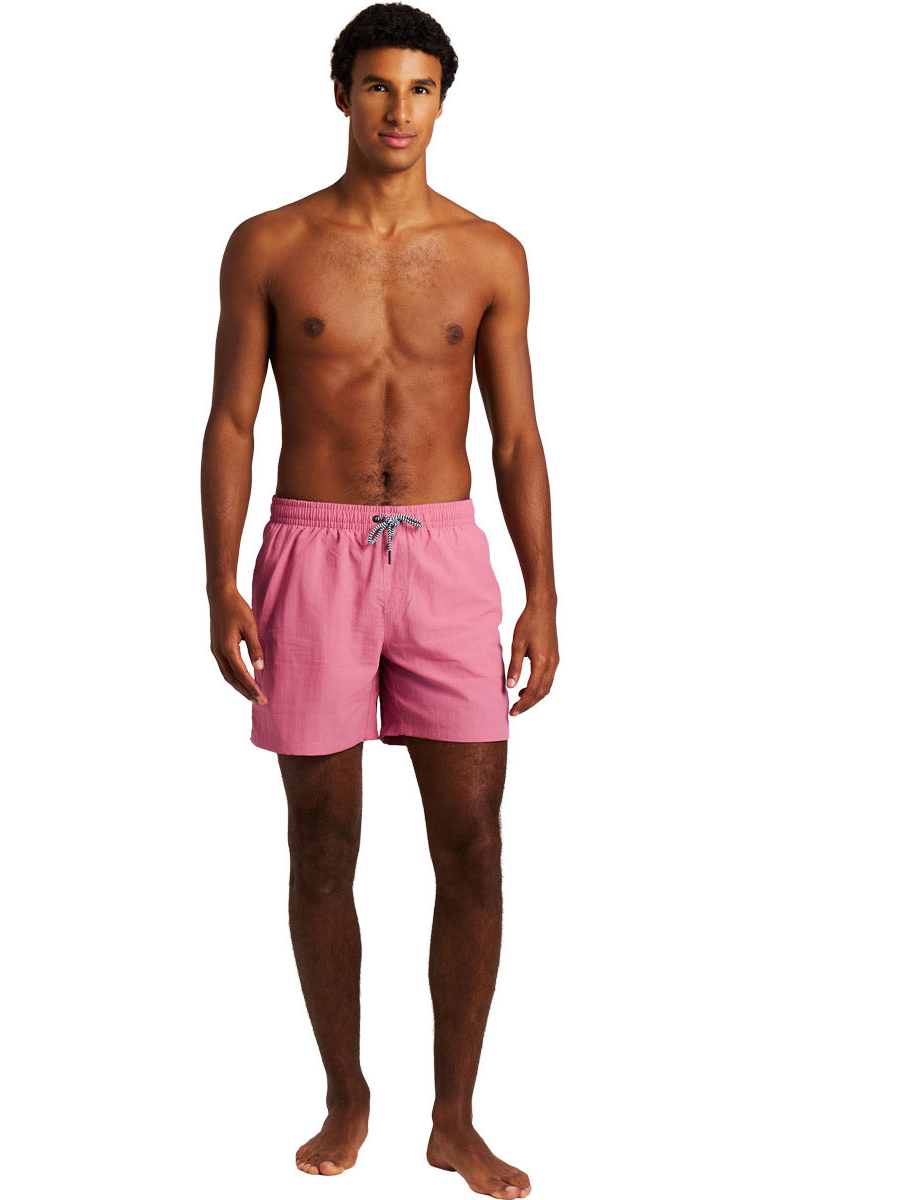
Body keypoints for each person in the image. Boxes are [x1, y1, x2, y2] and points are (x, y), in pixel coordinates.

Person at [201, 5, 556, 1197]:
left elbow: (516, 438)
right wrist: (218, 577)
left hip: (447, 561)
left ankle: (454, 1119)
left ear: (444, 101)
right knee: (322, 842)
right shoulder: (270, 244)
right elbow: (232, 421)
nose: (398, 111)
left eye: (420, 89)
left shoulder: (490, 253)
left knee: (476, 844)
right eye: (376, 86)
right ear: (342, 95)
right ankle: (346, 1091)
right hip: (311, 553)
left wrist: (544, 592)